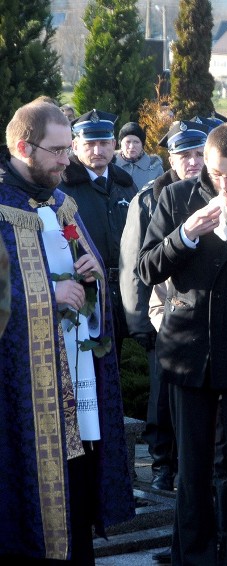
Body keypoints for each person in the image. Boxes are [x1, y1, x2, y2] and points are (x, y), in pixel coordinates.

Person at [0, 100, 134, 563]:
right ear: (23, 146)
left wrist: (94, 279)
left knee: (75, 499)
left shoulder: (62, 202)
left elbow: (92, 290)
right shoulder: (1, 208)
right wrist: (43, 301)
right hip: (20, 398)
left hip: (75, 390)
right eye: (57, 151)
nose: (67, 160)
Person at [138, 123, 227, 565]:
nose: (224, 184)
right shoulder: (177, 196)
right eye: (217, 174)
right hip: (187, 350)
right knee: (192, 469)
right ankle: (193, 555)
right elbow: (146, 269)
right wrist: (184, 236)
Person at [119, 120, 211, 495]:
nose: (191, 162)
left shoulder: (214, 192)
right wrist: (140, 321)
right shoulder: (149, 198)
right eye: (183, 154)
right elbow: (134, 265)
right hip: (163, 312)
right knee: (161, 401)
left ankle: (188, 468)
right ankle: (161, 465)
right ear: (169, 158)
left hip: (201, 315)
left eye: (197, 154)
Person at [60, 109, 137, 360]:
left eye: (104, 143)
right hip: (86, 291)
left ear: (114, 145)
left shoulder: (126, 185)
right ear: (74, 145)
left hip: (125, 288)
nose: (97, 150)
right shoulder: (64, 189)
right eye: (89, 144)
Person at [114, 121, 164, 188]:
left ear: (142, 145)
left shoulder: (155, 168)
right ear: (120, 144)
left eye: (136, 142)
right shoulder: (110, 165)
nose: (131, 146)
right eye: (128, 142)